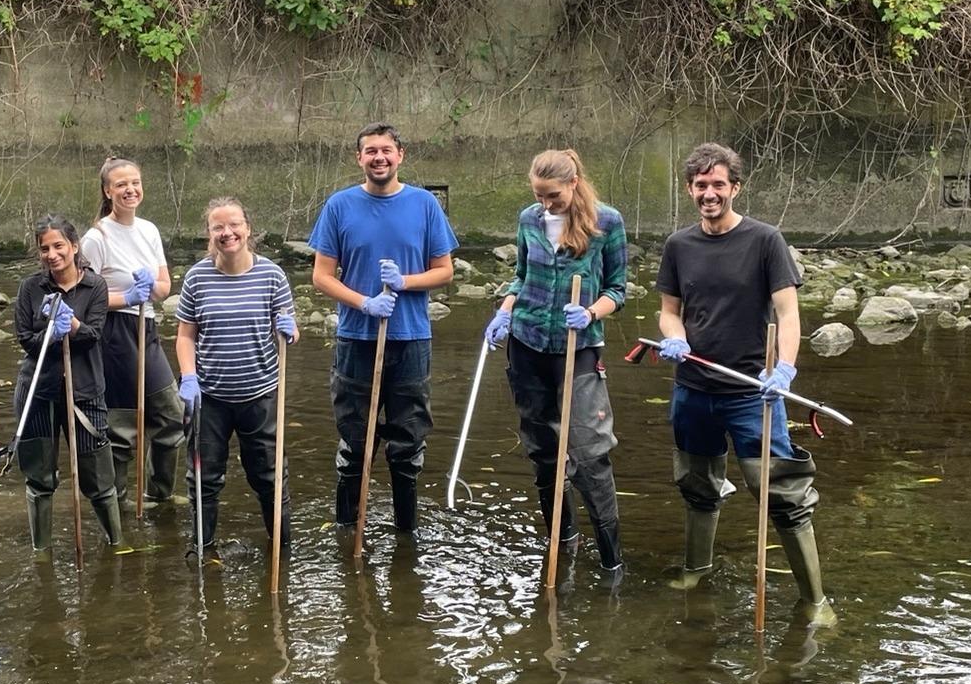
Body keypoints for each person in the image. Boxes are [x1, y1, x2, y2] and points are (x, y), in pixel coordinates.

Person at [654, 142, 835, 625]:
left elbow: (788, 311)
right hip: (693, 388)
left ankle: (816, 602)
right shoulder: (679, 246)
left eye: (718, 185)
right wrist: (673, 338)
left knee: (783, 493)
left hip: (754, 392)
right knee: (697, 483)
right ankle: (697, 569)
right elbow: (669, 312)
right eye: (700, 185)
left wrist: (786, 368)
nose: (709, 193)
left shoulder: (765, 240)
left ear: (735, 187)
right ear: (690, 189)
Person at [483, 150, 630, 578]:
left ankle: (611, 561)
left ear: (574, 182)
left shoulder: (607, 223)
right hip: (527, 344)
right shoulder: (529, 219)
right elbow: (521, 275)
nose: (547, 205)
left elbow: (619, 290)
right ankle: (560, 539)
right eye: (539, 196)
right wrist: (506, 309)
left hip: (578, 347)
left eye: (553, 196)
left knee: (589, 450)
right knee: (543, 450)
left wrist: (590, 313)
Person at [309, 123, 458, 537]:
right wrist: (364, 302)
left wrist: (405, 282)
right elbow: (321, 276)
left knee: (407, 442)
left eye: (386, 150)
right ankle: (346, 529)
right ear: (359, 158)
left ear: (400, 155)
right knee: (356, 441)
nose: (379, 158)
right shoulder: (339, 206)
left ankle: (405, 534)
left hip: (411, 339)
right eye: (370, 151)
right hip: (356, 338)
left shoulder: (424, 205)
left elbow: (444, 271)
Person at [174, 197, 299, 553]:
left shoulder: (272, 274)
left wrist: (289, 329)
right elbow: (185, 335)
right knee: (204, 478)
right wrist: (188, 376)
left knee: (270, 477)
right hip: (209, 397)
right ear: (209, 233)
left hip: (260, 393)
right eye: (218, 227)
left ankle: (282, 550)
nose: (227, 233)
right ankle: (202, 548)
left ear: (248, 228)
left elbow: (288, 331)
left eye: (234, 225)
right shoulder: (198, 277)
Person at [79, 157, 188, 512]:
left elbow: (165, 285)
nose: (130, 190)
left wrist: (151, 289)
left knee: (172, 413)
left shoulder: (149, 230)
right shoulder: (96, 238)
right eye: (122, 184)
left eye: (135, 182)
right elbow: (81, 296)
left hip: (147, 326)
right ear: (108, 191)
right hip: (114, 333)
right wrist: (125, 296)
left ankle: (160, 493)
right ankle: (121, 502)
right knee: (124, 426)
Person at [12, 215, 121, 550]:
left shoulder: (95, 286)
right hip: (38, 391)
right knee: (40, 479)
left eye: (58, 245)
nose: (51, 253)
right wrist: (49, 330)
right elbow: (26, 339)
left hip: (84, 391)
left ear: (74, 247)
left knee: (98, 479)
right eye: (44, 248)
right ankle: (40, 551)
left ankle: (117, 544)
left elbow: (94, 335)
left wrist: (71, 325)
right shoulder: (31, 288)